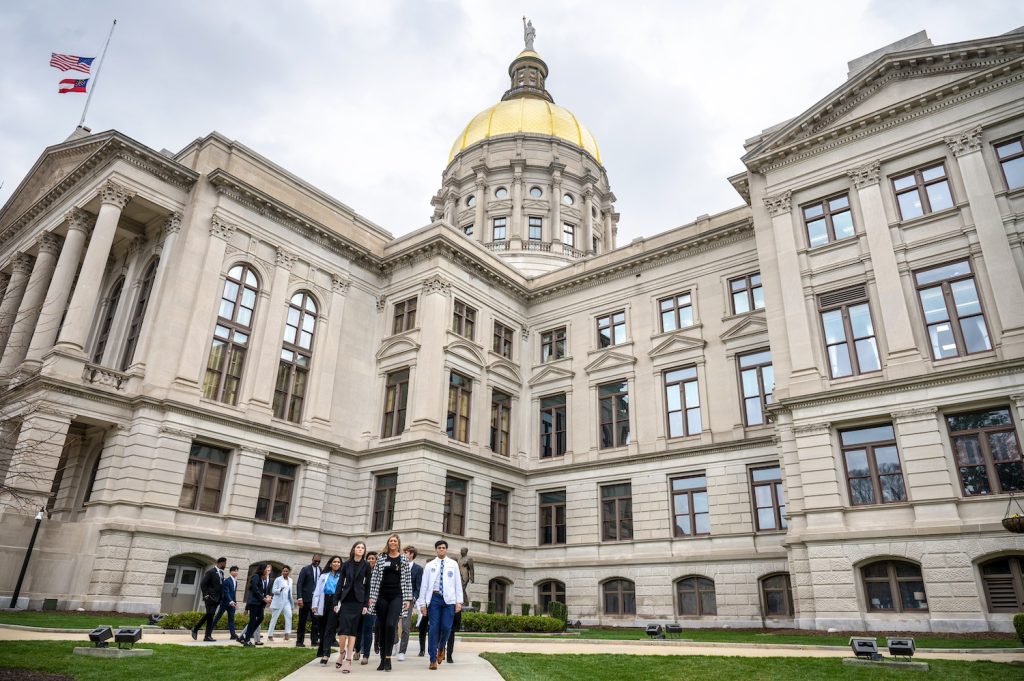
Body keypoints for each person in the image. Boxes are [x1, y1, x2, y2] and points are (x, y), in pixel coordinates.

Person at [367, 534, 413, 672]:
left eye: (395, 541)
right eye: (391, 540)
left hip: (397, 596)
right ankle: (382, 660)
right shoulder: (381, 558)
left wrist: (408, 599)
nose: (393, 542)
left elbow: (407, 580)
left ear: (398, 543)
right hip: (381, 596)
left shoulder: (403, 559)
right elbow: (374, 578)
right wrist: (372, 597)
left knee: (391, 625)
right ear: (388, 543)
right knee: (381, 627)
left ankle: (388, 658)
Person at [417, 539, 463, 670]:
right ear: (436, 550)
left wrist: (459, 601)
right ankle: (432, 659)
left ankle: (441, 647)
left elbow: (457, 583)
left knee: (447, 627)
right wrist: (422, 604)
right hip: (434, 598)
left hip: (449, 600)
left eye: (443, 548)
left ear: (446, 549)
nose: (441, 549)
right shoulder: (430, 565)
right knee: (433, 629)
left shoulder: (453, 564)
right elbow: (424, 586)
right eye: (439, 548)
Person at [332, 541, 370, 673]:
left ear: (364, 551)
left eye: (362, 548)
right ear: (354, 549)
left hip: (358, 601)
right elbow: (339, 584)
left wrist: (366, 604)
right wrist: (336, 601)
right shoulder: (346, 564)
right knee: (342, 631)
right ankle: (341, 653)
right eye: (358, 547)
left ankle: (348, 660)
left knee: (353, 631)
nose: (360, 549)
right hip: (346, 600)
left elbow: (368, 586)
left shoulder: (366, 565)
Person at [312, 555, 343, 664]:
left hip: (335, 603)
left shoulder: (342, 577)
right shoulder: (324, 576)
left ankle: (326, 654)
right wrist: (314, 605)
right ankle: (322, 650)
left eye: (338, 562)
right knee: (323, 628)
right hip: (324, 601)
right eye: (334, 562)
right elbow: (317, 591)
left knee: (330, 628)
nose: (336, 564)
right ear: (330, 563)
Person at [396, 544, 423, 661]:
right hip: (396, 598)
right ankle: (394, 642)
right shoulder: (398, 566)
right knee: (392, 624)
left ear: (411, 554)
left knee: (406, 627)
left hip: (408, 600)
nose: (404, 554)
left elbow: (418, 586)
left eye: (406, 552)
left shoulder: (418, 569)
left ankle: (402, 651)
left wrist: (414, 597)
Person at [192, 557, 226, 642]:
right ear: (221, 563)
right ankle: (195, 629)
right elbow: (203, 584)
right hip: (210, 598)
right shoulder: (210, 572)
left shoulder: (221, 573)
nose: (225, 565)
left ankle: (207, 636)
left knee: (210, 616)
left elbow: (220, 586)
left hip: (217, 599)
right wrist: (206, 595)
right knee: (210, 614)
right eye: (225, 563)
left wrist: (222, 597)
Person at [238, 563, 273, 646]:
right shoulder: (256, 576)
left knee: (260, 618)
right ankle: (247, 640)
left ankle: (245, 636)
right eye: (266, 569)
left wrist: (267, 597)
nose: (267, 571)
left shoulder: (262, 579)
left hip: (260, 603)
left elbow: (261, 591)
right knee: (252, 621)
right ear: (262, 569)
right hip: (254, 603)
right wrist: (264, 598)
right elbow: (255, 589)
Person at [295, 554, 322, 648]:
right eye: (315, 561)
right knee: (302, 621)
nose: (317, 562)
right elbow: (299, 584)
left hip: (315, 601)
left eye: (319, 561)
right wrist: (299, 598)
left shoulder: (320, 570)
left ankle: (314, 641)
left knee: (316, 622)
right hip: (305, 599)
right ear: (312, 559)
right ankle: (299, 641)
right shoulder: (305, 569)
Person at [267, 565, 294, 641]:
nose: (285, 572)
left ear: (289, 572)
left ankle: (287, 634)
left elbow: (290, 592)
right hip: (278, 601)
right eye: (284, 571)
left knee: (289, 616)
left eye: (287, 571)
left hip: (287, 602)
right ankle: (270, 635)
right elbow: (273, 590)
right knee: (274, 618)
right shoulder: (278, 579)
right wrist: (280, 589)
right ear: (282, 572)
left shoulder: (290, 580)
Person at [213, 564, 239, 640]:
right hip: (225, 603)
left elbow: (233, 593)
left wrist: (235, 601)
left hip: (232, 604)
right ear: (231, 572)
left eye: (237, 571)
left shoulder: (235, 582)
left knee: (231, 619)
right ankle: (209, 631)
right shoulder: (227, 581)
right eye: (235, 571)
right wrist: (230, 601)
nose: (236, 572)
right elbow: (226, 592)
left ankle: (233, 635)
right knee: (217, 617)